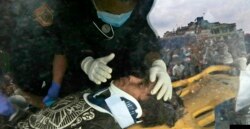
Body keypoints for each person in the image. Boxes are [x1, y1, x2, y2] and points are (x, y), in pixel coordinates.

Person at [8, 0, 172, 107]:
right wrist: (85, 60)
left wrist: (157, 63)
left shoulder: (144, 6)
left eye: (141, 83)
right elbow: (67, 41)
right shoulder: (68, 10)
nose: (133, 78)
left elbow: (142, 30)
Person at [0, 75, 184, 129]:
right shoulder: (94, 98)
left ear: (143, 110)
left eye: (141, 84)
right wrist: (19, 94)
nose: (131, 77)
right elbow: (53, 111)